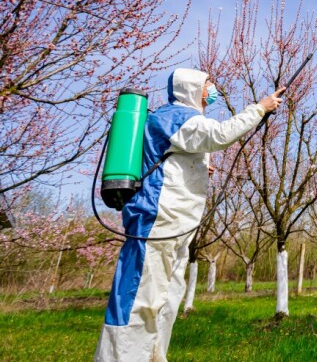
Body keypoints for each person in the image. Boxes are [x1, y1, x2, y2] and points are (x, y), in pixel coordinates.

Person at [95, 68, 284, 362]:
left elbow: (173, 155)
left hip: (178, 224)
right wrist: (260, 108)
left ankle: (153, 356)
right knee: (141, 296)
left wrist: (197, 166)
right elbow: (219, 135)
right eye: (208, 83)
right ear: (191, 88)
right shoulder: (176, 116)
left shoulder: (182, 120)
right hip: (158, 220)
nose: (213, 89)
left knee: (168, 298)